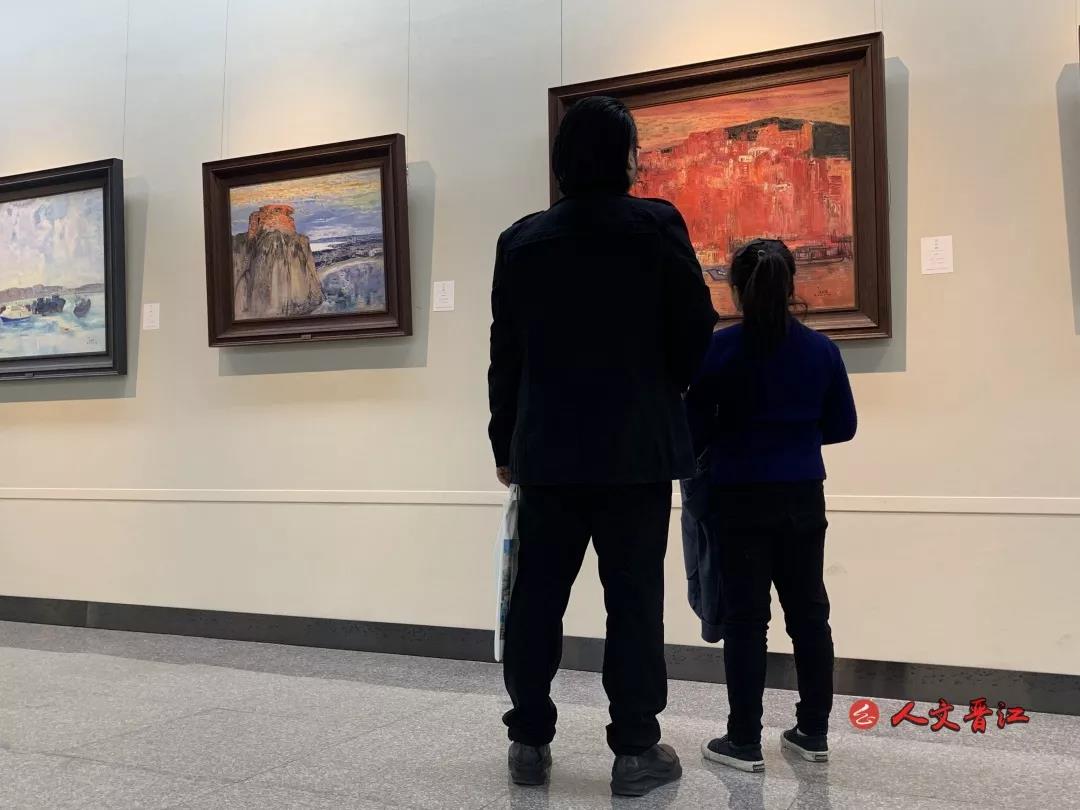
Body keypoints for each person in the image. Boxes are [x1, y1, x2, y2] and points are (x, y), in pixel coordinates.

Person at [487, 95, 718, 797]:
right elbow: (696, 327)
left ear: (561, 161)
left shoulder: (520, 241)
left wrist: (504, 442)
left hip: (546, 451)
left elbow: (506, 355)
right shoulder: (656, 225)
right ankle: (635, 749)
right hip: (634, 451)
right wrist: (665, 383)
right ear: (625, 157)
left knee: (536, 599)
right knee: (634, 604)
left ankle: (529, 740)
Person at [684, 239, 856, 773]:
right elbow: (843, 426)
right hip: (803, 493)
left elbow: (693, 431)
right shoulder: (820, 350)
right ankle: (813, 732)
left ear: (736, 289)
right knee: (810, 615)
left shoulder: (718, 350)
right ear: (791, 287)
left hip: (737, 496)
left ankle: (743, 740)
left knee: (746, 620)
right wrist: (794, 435)